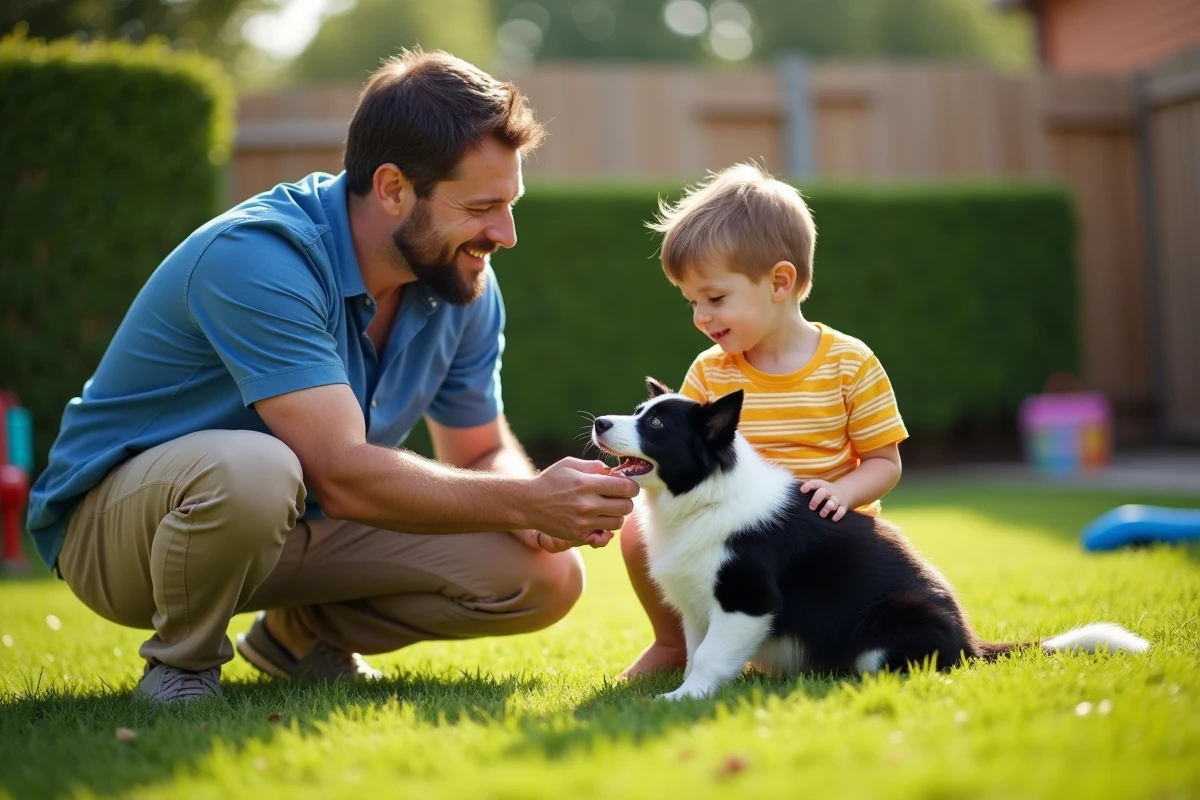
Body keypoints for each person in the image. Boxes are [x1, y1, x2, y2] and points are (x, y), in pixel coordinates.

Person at [26, 49, 640, 703]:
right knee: (256, 469)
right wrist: (525, 500)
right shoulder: (259, 257)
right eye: (483, 206)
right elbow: (341, 471)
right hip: (125, 536)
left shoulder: (460, 283)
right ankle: (183, 667)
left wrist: (539, 515)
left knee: (546, 577)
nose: (507, 233)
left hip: (297, 521)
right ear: (393, 189)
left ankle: (296, 638)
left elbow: (482, 450)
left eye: (510, 204)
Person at [618, 163, 908, 678]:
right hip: (727, 534)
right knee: (638, 535)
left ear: (779, 282)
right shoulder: (710, 372)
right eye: (691, 302)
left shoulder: (849, 363)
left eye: (715, 298)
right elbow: (680, 457)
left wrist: (842, 492)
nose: (700, 318)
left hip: (820, 553)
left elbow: (884, 461)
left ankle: (780, 645)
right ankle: (676, 643)